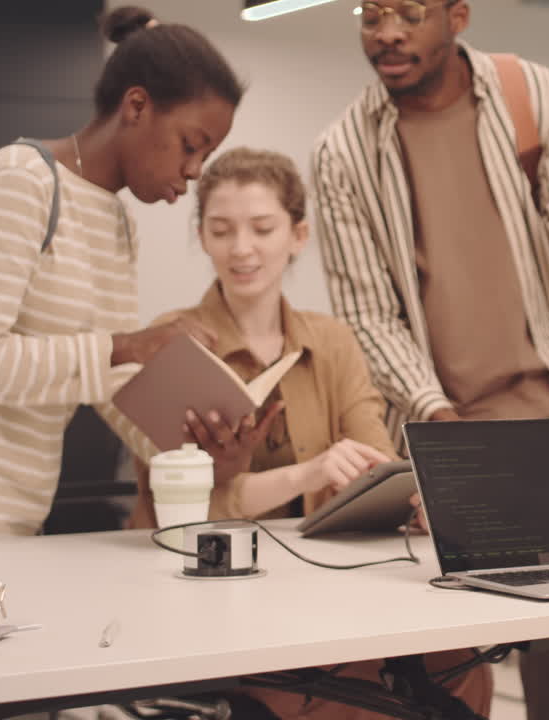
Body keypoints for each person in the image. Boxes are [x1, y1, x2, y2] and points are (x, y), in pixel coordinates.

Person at [311, 2, 549, 716]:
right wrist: (439, 421)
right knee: (438, 646)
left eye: (410, 13)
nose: (386, 33)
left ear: (456, 16)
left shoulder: (529, 94)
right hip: (436, 419)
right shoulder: (343, 152)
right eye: (370, 14)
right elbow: (369, 313)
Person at [127, 146, 493, 719]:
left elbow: (373, 466)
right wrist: (313, 471)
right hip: (214, 594)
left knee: (460, 662)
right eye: (221, 231)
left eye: (262, 228)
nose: (242, 249)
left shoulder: (331, 341)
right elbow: (194, 508)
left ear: (298, 235)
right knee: (341, 694)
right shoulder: (168, 341)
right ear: (202, 237)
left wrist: (410, 495)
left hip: (326, 582)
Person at [0, 5, 244, 544]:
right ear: (137, 106)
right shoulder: (18, 182)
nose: (194, 171)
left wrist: (198, 444)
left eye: (207, 155)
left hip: (7, 521)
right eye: (191, 145)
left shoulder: (117, 222)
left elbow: (106, 379)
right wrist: (129, 346)